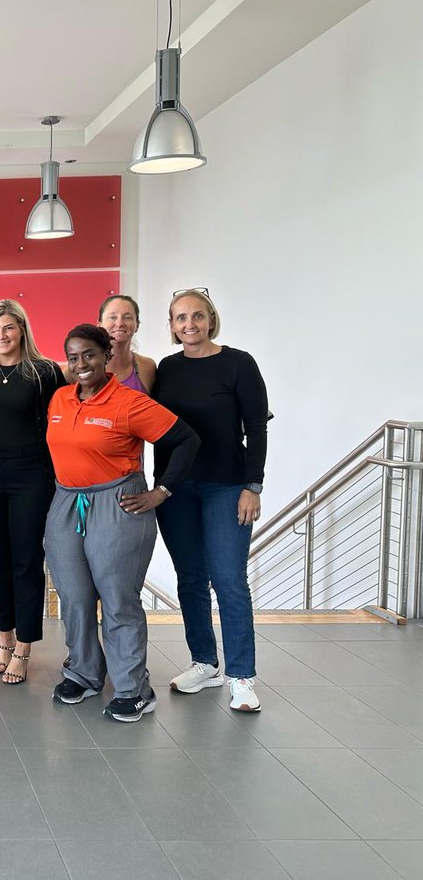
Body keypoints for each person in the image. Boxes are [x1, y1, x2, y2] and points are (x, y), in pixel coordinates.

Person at [46, 324, 199, 722]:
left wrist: (161, 491)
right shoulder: (60, 399)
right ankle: (83, 672)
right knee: (75, 597)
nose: (81, 364)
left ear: (106, 355)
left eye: (89, 355)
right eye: (74, 357)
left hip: (118, 504)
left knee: (117, 599)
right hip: (66, 503)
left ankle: (133, 688)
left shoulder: (129, 402)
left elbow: (186, 440)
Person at [155, 288, 269, 713]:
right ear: (171, 325)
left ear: (211, 319)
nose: (190, 324)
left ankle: (242, 677)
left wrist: (251, 486)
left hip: (226, 487)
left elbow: (256, 429)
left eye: (197, 316)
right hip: (175, 489)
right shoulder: (166, 368)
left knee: (230, 582)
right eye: (181, 318)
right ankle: (205, 663)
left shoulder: (239, 364)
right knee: (190, 580)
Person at [0, 300, 65, 685]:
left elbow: (59, 425)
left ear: (22, 329)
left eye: (8, 328)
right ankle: (4, 637)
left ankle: (24, 646)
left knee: (26, 561)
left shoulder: (44, 372)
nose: (1, 337)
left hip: (31, 472)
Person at [99, 295, 157, 394]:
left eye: (127, 317)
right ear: (99, 324)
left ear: (137, 325)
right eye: (112, 317)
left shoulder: (148, 367)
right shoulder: (81, 367)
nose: (120, 323)